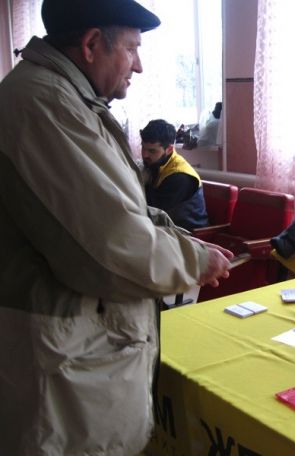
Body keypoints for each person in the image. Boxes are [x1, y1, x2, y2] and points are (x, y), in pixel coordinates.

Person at [0, 0, 233, 454]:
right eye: (131, 48)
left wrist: (176, 237)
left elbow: (122, 206)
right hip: (64, 366)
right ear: (91, 44)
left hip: (74, 353)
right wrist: (194, 260)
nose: (138, 65)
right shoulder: (45, 103)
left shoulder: (66, 99)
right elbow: (112, 245)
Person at [141, 119, 209, 230]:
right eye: (143, 147)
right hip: (166, 229)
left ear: (169, 149)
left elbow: (150, 210)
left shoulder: (180, 176)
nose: (144, 155)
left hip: (188, 234)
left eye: (152, 151)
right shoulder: (155, 164)